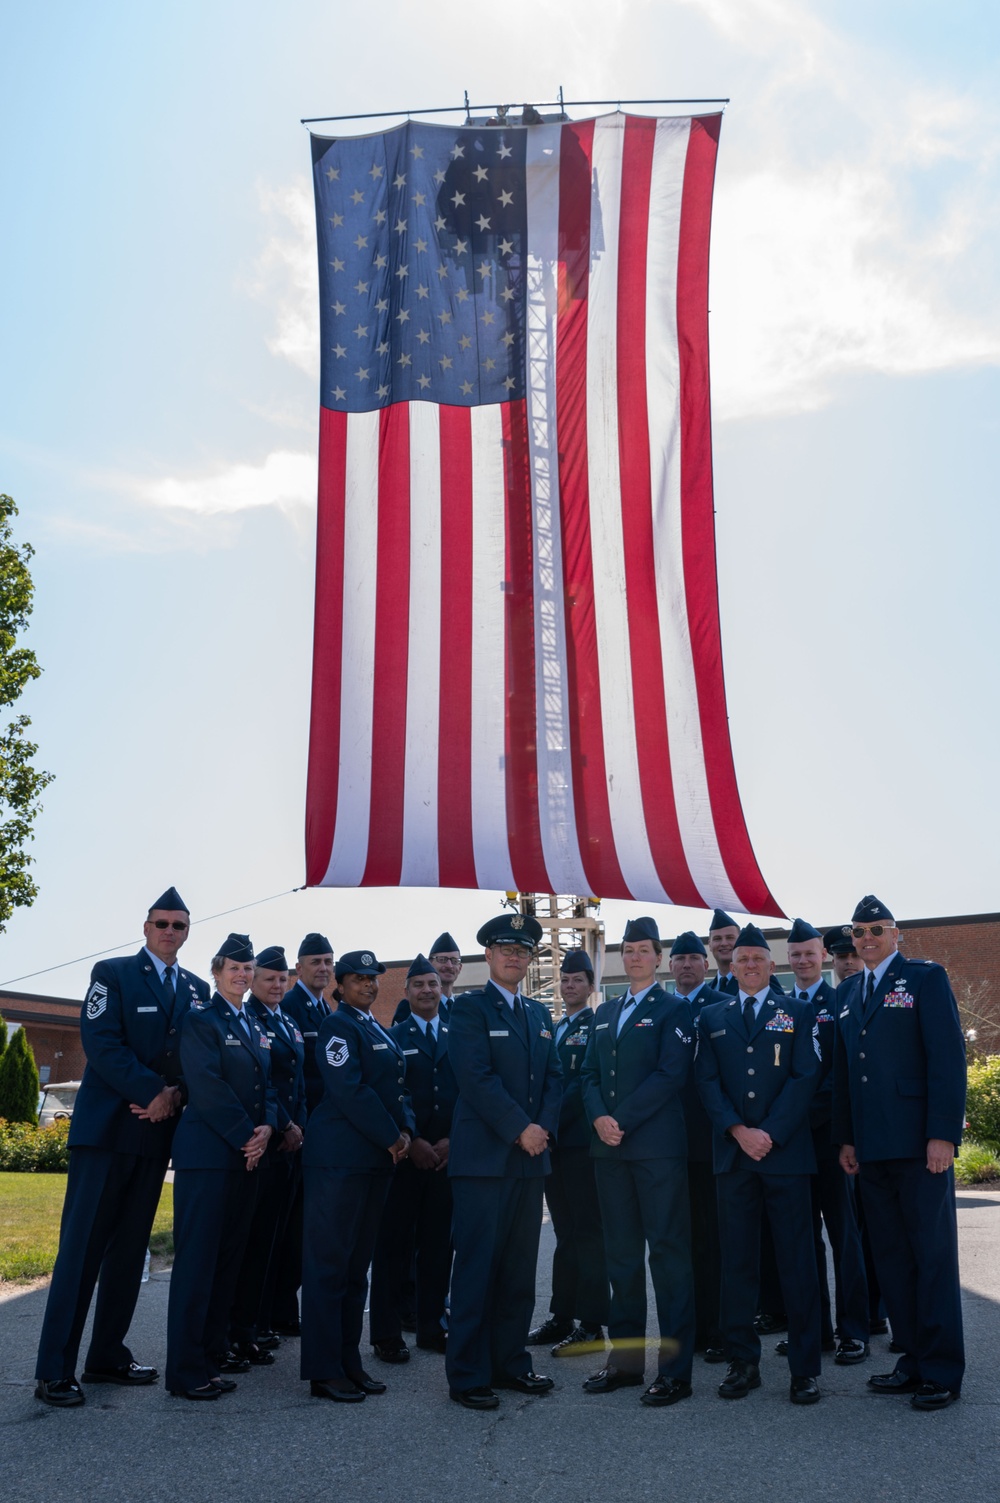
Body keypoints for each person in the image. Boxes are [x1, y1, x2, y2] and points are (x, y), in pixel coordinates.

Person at [34, 887, 209, 1408]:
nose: (170, 932)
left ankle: (107, 1355)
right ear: (146, 926)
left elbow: (196, 1056)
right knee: (82, 1250)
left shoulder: (196, 988)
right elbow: (101, 1042)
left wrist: (174, 1095)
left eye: (179, 925)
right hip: (107, 1133)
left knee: (129, 1251)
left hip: (154, 1137)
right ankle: (54, 1369)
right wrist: (151, 1091)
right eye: (162, 923)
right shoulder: (111, 975)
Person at [833, 896, 967, 1411]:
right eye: (859, 932)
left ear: (896, 934)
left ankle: (941, 1371)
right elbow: (845, 1073)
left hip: (918, 1145)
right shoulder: (847, 992)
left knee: (930, 1257)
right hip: (871, 1147)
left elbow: (947, 1059)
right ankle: (911, 1360)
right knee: (891, 1259)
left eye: (876, 930)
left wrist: (943, 1134)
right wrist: (847, 1137)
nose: (866, 939)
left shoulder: (924, 979)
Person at [695, 923, 823, 1406]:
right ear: (731, 965)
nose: (749, 965)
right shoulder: (712, 1016)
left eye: (758, 959)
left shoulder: (800, 1011)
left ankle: (805, 1369)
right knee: (738, 1264)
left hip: (785, 1155)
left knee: (797, 1264)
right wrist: (737, 1131)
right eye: (742, 959)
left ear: (774, 966)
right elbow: (706, 1081)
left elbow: (805, 1075)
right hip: (734, 1155)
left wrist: (769, 1132)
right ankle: (742, 1362)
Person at [445, 912, 562, 1411]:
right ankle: (468, 1373)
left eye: (522, 951)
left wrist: (542, 1130)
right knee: (477, 1269)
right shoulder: (470, 1010)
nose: (514, 957)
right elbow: (475, 1078)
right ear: (488, 956)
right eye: (504, 949)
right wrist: (521, 1128)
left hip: (528, 1162)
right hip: (484, 1161)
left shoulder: (538, 1014)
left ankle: (510, 1362)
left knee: (517, 1271)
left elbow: (556, 1078)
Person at [579, 917, 696, 1407]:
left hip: (656, 1150)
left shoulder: (674, 1009)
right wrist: (598, 1119)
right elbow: (586, 1074)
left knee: (668, 1257)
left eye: (643, 949)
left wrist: (618, 1118)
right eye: (628, 949)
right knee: (622, 1258)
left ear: (659, 957)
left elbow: (671, 1074)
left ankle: (675, 1372)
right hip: (610, 1150)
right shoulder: (604, 1012)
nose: (634, 956)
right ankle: (625, 1364)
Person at [165, 934, 278, 1401]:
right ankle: (185, 1371)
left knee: (226, 1265)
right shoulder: (200, 1020)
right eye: (233, 967)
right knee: (197, 1266)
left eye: (247, 968)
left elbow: (268, 1085)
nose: (242, 975)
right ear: (215, 972)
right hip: (209, 1159)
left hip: (245, 1158)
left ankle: (210, 1361)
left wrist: (268, 1127)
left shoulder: (253, 1023)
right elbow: (206, 1086)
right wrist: (246, 1138)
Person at [300, 950, 414, 1404]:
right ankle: (324, 1371)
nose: (368, 984)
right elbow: (350, 1089)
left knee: (353, 1271)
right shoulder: (338, 1027)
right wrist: (392, 1136)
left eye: (372, 979)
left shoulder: (374, 1027)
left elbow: (395, 1089)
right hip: (339, 1162)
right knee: (329, 1268)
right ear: (340, 986)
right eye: (358, 979)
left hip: (372, 1162)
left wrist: (405, 1130)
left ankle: (349, 1362)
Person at [779, 918, 869, 1365]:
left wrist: (797, 1117)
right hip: (790, 1143)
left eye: (809, 953)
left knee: (844, 1235)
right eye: (795, 954)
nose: (802, 960)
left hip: (830, 1138)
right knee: (803, 1240)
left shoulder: (843, 1001)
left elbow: (843, 1074)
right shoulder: (778, 1006)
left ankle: (854, 1329)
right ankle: (814, 1331)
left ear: (823, 956)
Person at [370, 954, 458, 1362]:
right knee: (393, 1248)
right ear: (406, 993)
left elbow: (470, 1090)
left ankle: (430, 1327)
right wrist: (417, 1139)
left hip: (446, 1159)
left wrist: (451, 1140)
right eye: (419, 985)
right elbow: (393, 1093)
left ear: (441, 990)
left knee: (439, 1248)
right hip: (407, 1158)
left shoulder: (459, 1034)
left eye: (432, 985)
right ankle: (386, 1334)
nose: (426, 991)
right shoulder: (394, 1035)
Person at [528, 949, 608, 1356]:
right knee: (564, 1234)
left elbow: (579, 1085)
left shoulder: (596, 1026)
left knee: (588, 1235)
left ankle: (592, 1324)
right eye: (565, 980)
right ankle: (562, 1315)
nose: (569, 985)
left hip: (579, 1144)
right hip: (554, 1146)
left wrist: (548, 1123)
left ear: (591, 986)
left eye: (577, 979)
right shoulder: (555, 1028)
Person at [231, 945, 307, 1356]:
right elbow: (266, 1085)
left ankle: (259, 1322)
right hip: (268, 1142)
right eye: (269, 979)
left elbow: (301, 1083)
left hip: (290, 1145)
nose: (277, 985)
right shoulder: (252, 1019)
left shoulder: (289, 1023)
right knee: (257, 1238)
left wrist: (302, 1127)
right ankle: (246, 1324)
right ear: (253, 981)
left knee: (276, 1238)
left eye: (282, 979)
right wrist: (286, 1125)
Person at [824, 923, 886, 1336]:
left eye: (852, 955)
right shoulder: (834, 999)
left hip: (882, 1131)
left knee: (879, 1227)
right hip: (842, 1134)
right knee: (854, 1227)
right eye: (841, 957)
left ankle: (878, 1312)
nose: (848, 962)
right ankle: (860, 1314)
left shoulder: (871, 992)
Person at [271, 931, 335, 1337]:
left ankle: (282, 1308)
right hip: (293, 1135)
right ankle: (278, 1308)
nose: (324, 969)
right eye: (316, 962)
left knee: (305, 1228)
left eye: (328, 962)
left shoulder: (325, 1009)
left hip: (318, 1135)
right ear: (298, 968)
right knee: (287, 1228)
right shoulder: (289, 1006)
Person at [667, 931, 727, 1363]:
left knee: (714, 1240)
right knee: (678, 1243)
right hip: (667, 1146)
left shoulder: (720, 1007)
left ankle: (717, 1328)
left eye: (693, 958)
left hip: (710, 1143)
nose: (686, 965)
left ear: (705, 965)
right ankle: (687, 1329)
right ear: (669, 967)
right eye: (679, 958)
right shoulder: (664, 1010)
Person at [393, 930, 463, 1023]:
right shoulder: (411, 1005)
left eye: (454, 961)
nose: (449, 966)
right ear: (430, 964)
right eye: (442, 959)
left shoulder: (463, 1006)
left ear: (460, 967)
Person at [707, 910, 740, 994]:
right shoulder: (707, 991)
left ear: (740, 941)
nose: (724, 943)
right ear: (710, 945)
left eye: (730, 937)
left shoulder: (758, 983)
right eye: (717, 939)